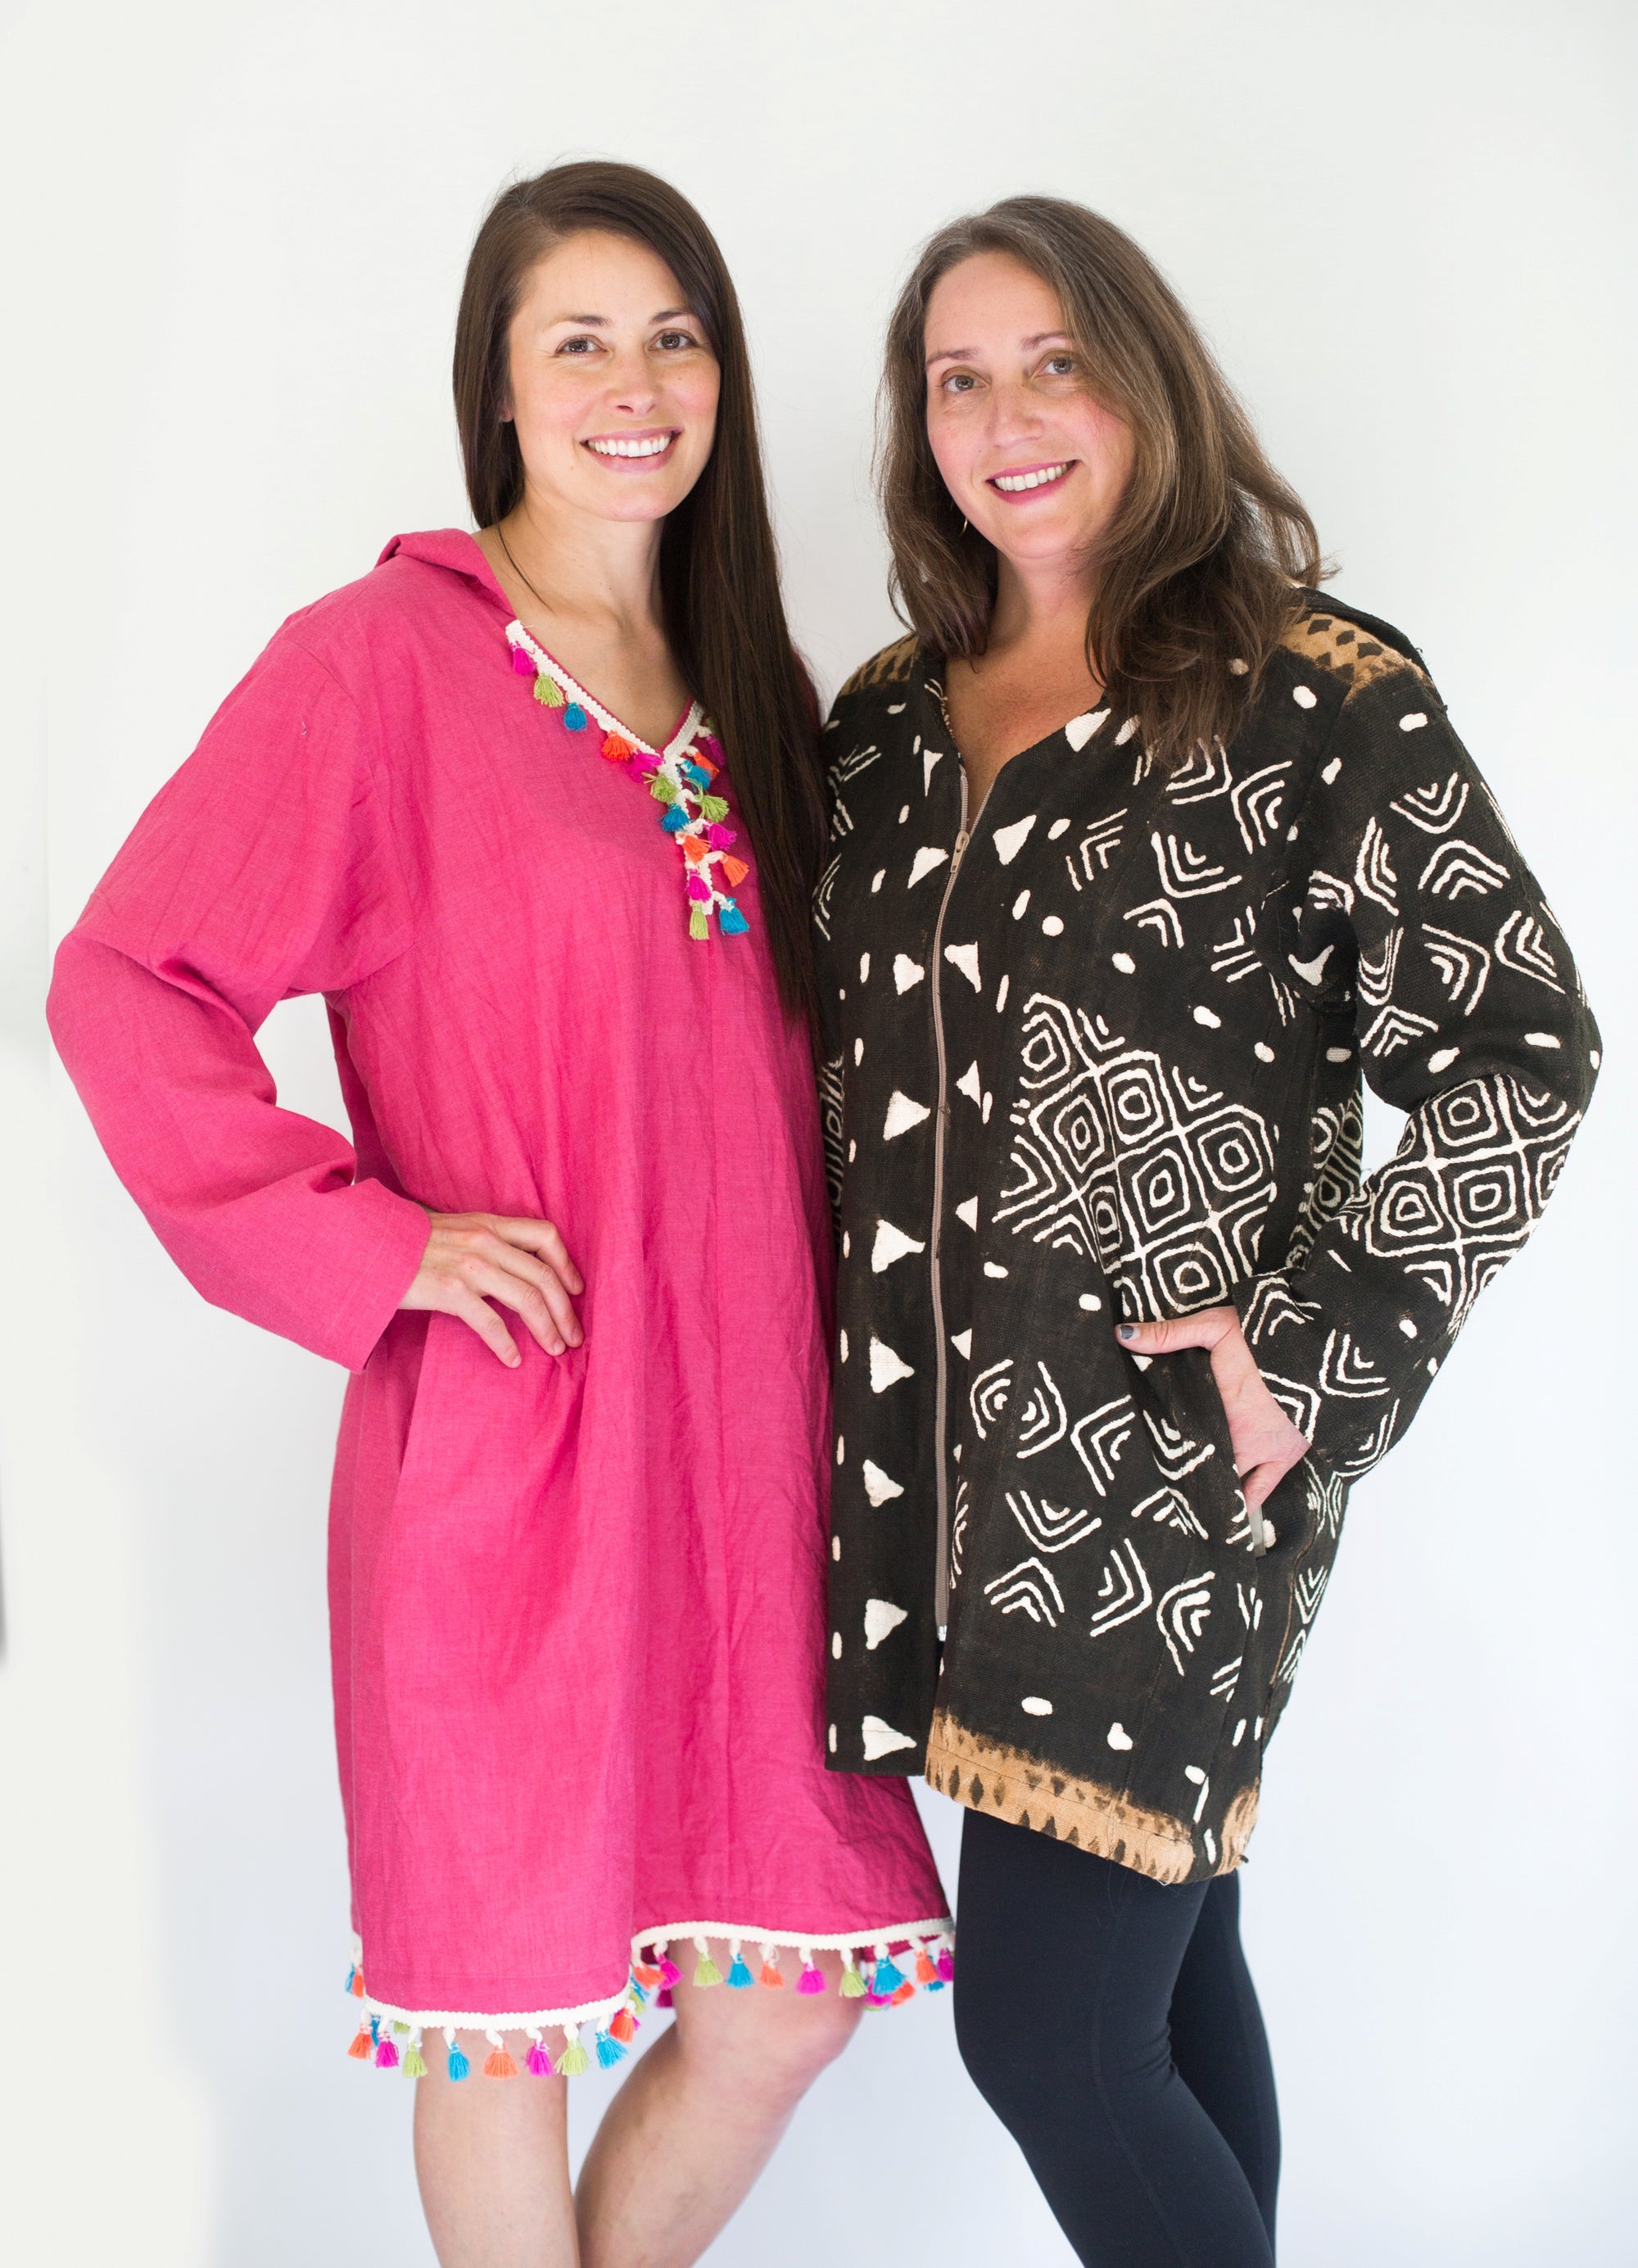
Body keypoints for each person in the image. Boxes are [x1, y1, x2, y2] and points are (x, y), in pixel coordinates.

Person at [48, 161, 949, 2268]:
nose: (635, 383)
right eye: (580, 339)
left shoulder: (759, 697)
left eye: (675, 334)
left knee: (786, 1989)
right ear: (499, 387)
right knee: (500, 2022)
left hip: (750, 1470)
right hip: (512, 1447)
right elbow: (127, 980)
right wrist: (372, 1239)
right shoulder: (377, 665)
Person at [816, 194, 1597, 2266]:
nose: (1008, 417)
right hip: (920, 1460)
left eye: (1053, 360)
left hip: (1163, 1461)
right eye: (959, 378)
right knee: (1155, 1981)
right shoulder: (888, 719)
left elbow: (1516, 1045)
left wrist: (1317, 1344)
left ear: (1143, 380)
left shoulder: (1307, 695)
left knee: (1054, 2040)